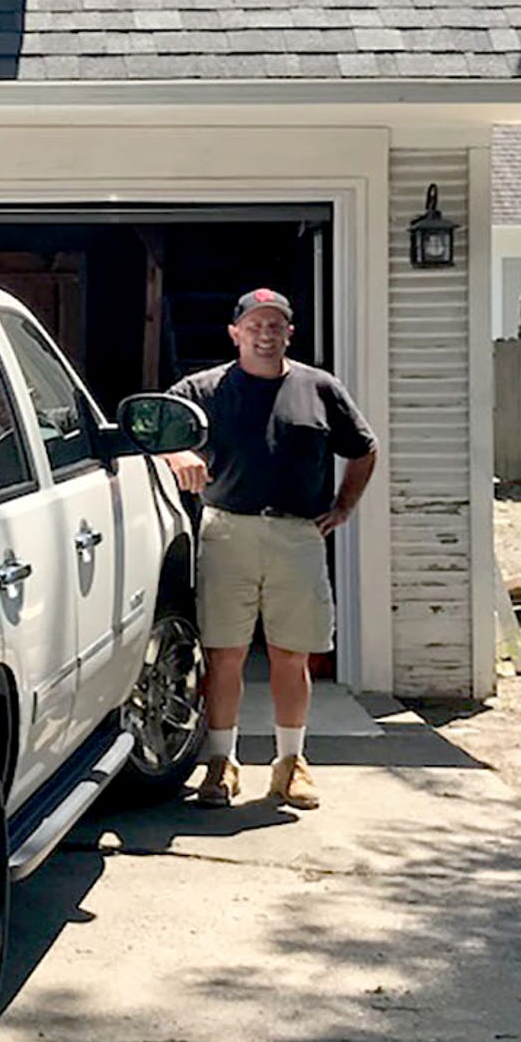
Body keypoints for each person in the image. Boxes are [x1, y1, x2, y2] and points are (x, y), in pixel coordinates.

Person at [160, 288, 378, 810]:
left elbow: (364, 449)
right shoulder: (203, 388)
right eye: (254, 324)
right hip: (226, 531)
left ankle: (290, 763)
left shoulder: (319, 387)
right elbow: (160, 431)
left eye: (275, 325)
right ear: (235, 333)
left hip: (298, 536)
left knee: (290, 654)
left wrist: (344, 508)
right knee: (224, 654)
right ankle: (221, 763)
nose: (265, 333)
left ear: (289, 333)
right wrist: (179, 453)